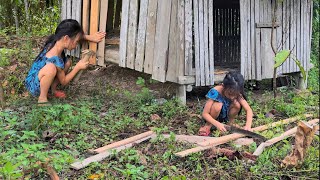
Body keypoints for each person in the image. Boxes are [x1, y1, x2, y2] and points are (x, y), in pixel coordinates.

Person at [25, 19, 106, 105]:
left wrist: (89, 37)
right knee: (50, 68)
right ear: (66, 38)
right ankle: (42, 98)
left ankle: (52, 90)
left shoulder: (56, 41)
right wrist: (78, 67)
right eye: (76, 42)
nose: (76, 45)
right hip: (33, 85)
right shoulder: (54, 57)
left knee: (67, 62)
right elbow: (64, 81)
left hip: (40, 78)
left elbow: (75, 36)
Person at [198, 71, 253, 136]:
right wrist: (217, 124)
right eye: (230, 94)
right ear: (223, 86)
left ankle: (230, 122)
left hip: (225, 115)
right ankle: (208, 125)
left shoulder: (236, 92)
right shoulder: (215, 92)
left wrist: (248, 126)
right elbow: (205, 114)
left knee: (237, 104)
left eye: (234, 94)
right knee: (218, 105)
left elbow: (248, 110)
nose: (232, 97)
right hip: (212, 116)